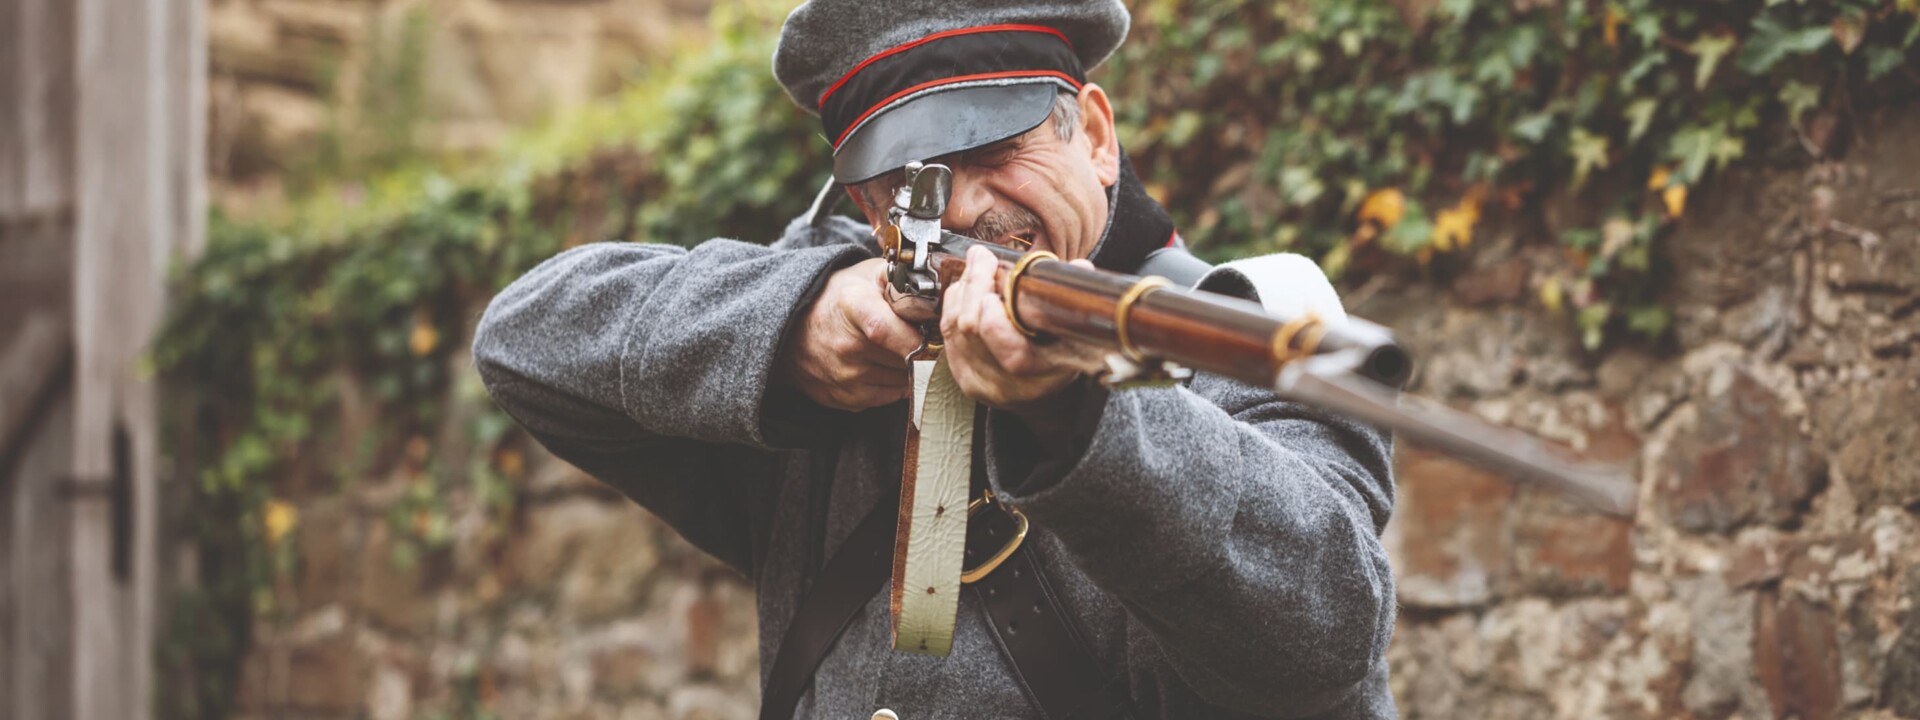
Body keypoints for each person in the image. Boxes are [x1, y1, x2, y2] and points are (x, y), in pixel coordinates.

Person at [472, 0, 1398, 717]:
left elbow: (1321, 642)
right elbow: (525, 340)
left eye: (998, 148)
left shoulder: (1252, 319)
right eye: (908, 185)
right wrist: (794, 325)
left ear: (1098, 137)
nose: (960, 211)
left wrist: (1081, 417)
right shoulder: (832, 353)